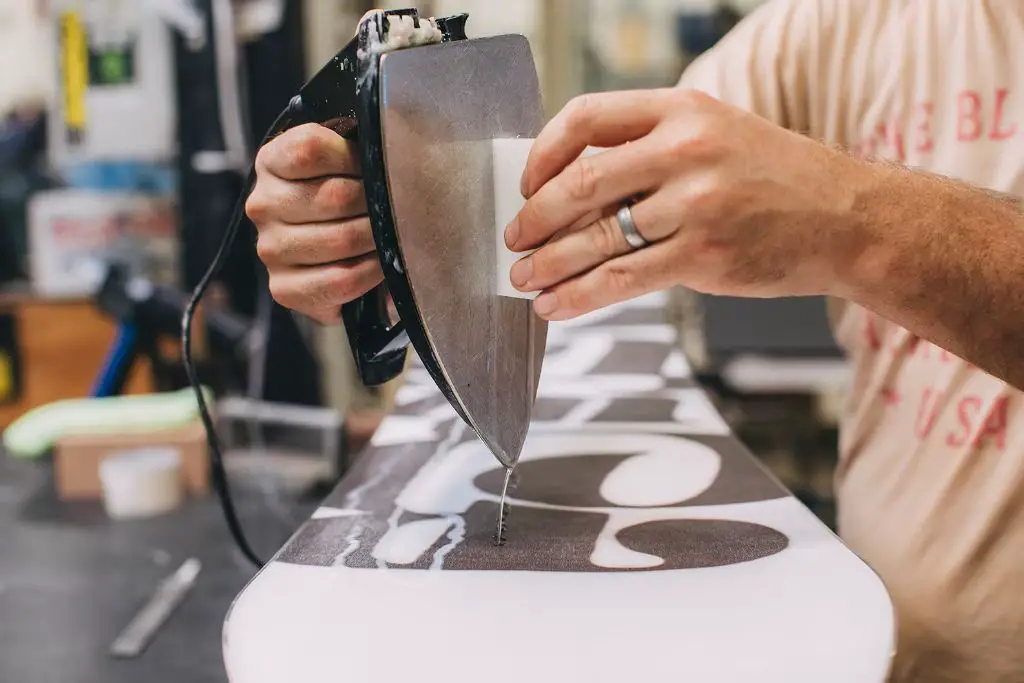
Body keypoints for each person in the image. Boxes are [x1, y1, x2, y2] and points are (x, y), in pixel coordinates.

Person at [246, 2, 1024, 681]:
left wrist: (857, 223)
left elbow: (814, 202)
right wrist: (375, 206)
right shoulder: (854, 22)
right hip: (867, 646)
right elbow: (613, 175)